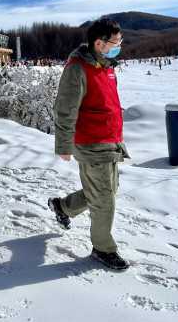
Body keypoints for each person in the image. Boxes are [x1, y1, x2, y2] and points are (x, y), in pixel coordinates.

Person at [47, 18, 130, 271]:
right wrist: (63, 145)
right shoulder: (77, 68)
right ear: (99, 43)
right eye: (115, 43)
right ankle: (103, 248)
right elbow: (65, 109)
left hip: (110, 141)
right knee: (104, 199)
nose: (119, 46)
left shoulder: (106, 66)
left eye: (120, 41)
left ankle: (62, 206)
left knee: (107, 191)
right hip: (92, 142)